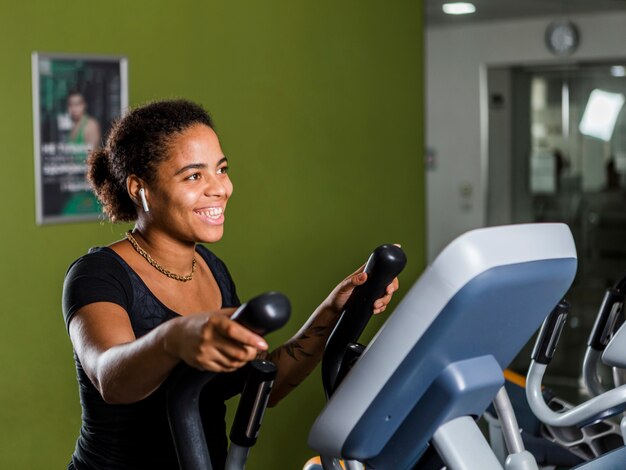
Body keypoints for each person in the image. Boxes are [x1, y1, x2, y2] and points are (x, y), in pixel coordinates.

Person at [62, 99, 399, 469]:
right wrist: (177, 338)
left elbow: (263, 382)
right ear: (139, 188)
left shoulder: (211, 269)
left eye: (221, 170)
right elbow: (111, 378)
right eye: (194, 176)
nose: (220, 188)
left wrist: (334, 312)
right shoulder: (98, 274)